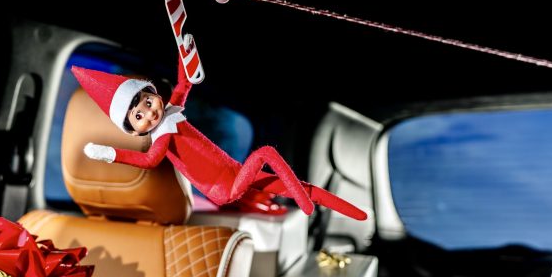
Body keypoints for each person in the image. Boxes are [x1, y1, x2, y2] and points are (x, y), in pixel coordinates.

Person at [71, 59, 367, 220]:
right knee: (265, 153)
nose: (149, 113)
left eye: (148, 102)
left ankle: (349, 211)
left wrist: (186, 52)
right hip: (223, 187)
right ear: (135, 131)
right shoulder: (161, 137)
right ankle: (305, 205)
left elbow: (184, 83)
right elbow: (150, 160)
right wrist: (111, 153)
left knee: (303, 186)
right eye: (139, 116)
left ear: (154, 94)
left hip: (234, 171)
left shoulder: (171, 111)